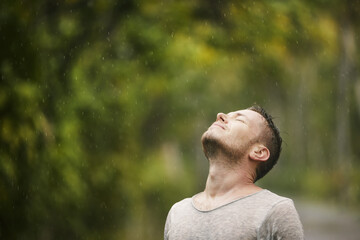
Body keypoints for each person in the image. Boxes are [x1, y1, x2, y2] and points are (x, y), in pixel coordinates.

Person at [164, 105, 304, 240]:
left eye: (239, 119)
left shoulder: (276, 211)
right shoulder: (177, 212)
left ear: (259, 152)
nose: (220, 116)